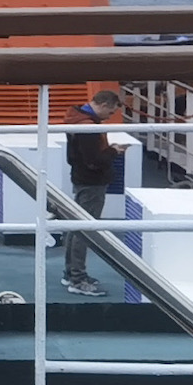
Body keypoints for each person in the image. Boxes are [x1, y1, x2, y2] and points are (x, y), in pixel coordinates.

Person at [62, 89, 123, 297]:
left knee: (76, 227)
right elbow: (94, 161)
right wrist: (114, 151)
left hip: (82, 180)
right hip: (92, 183)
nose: (110, 116)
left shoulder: (77, 121)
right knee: (84, 230)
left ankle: (71, 273)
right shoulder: (88, 128)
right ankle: (77, 279)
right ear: (105, 105)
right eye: (111, 112)